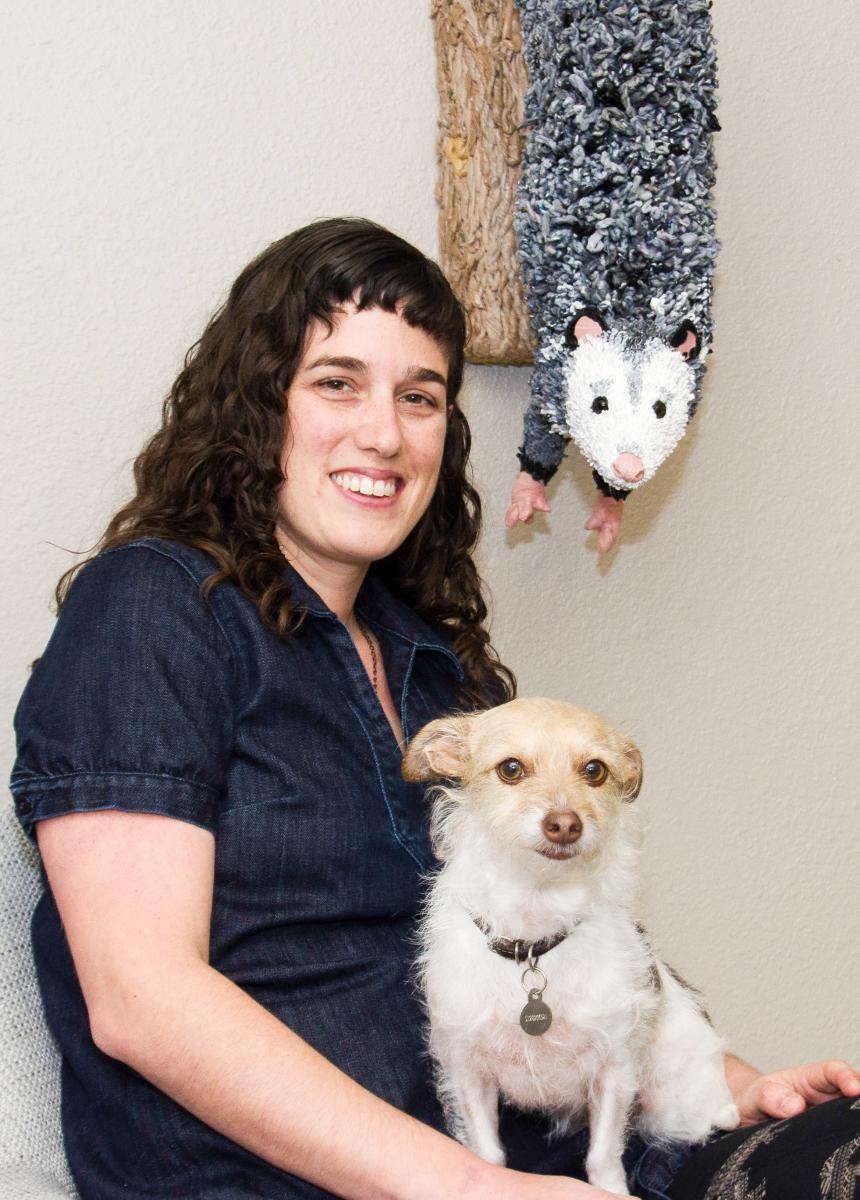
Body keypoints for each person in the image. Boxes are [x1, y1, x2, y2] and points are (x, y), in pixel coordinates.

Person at [10, 218, 859, 1200]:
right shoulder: (154, 608)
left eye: (419, 398)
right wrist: (460, 1186)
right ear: (255, 407)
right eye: (336, 382)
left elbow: (570, 940)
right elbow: (141, 999)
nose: (384, 432)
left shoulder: (437, 669)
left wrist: (731, 1089)